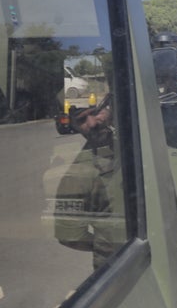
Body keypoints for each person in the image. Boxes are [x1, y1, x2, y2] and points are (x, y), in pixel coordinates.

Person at [52, 94, 125, 269]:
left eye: (96, 112)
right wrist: (108, 245)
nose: (92, 123)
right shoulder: (78, 175)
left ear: (111, 108)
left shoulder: (140, 140)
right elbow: (69, 235)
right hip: (119, 265)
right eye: (82, 120)